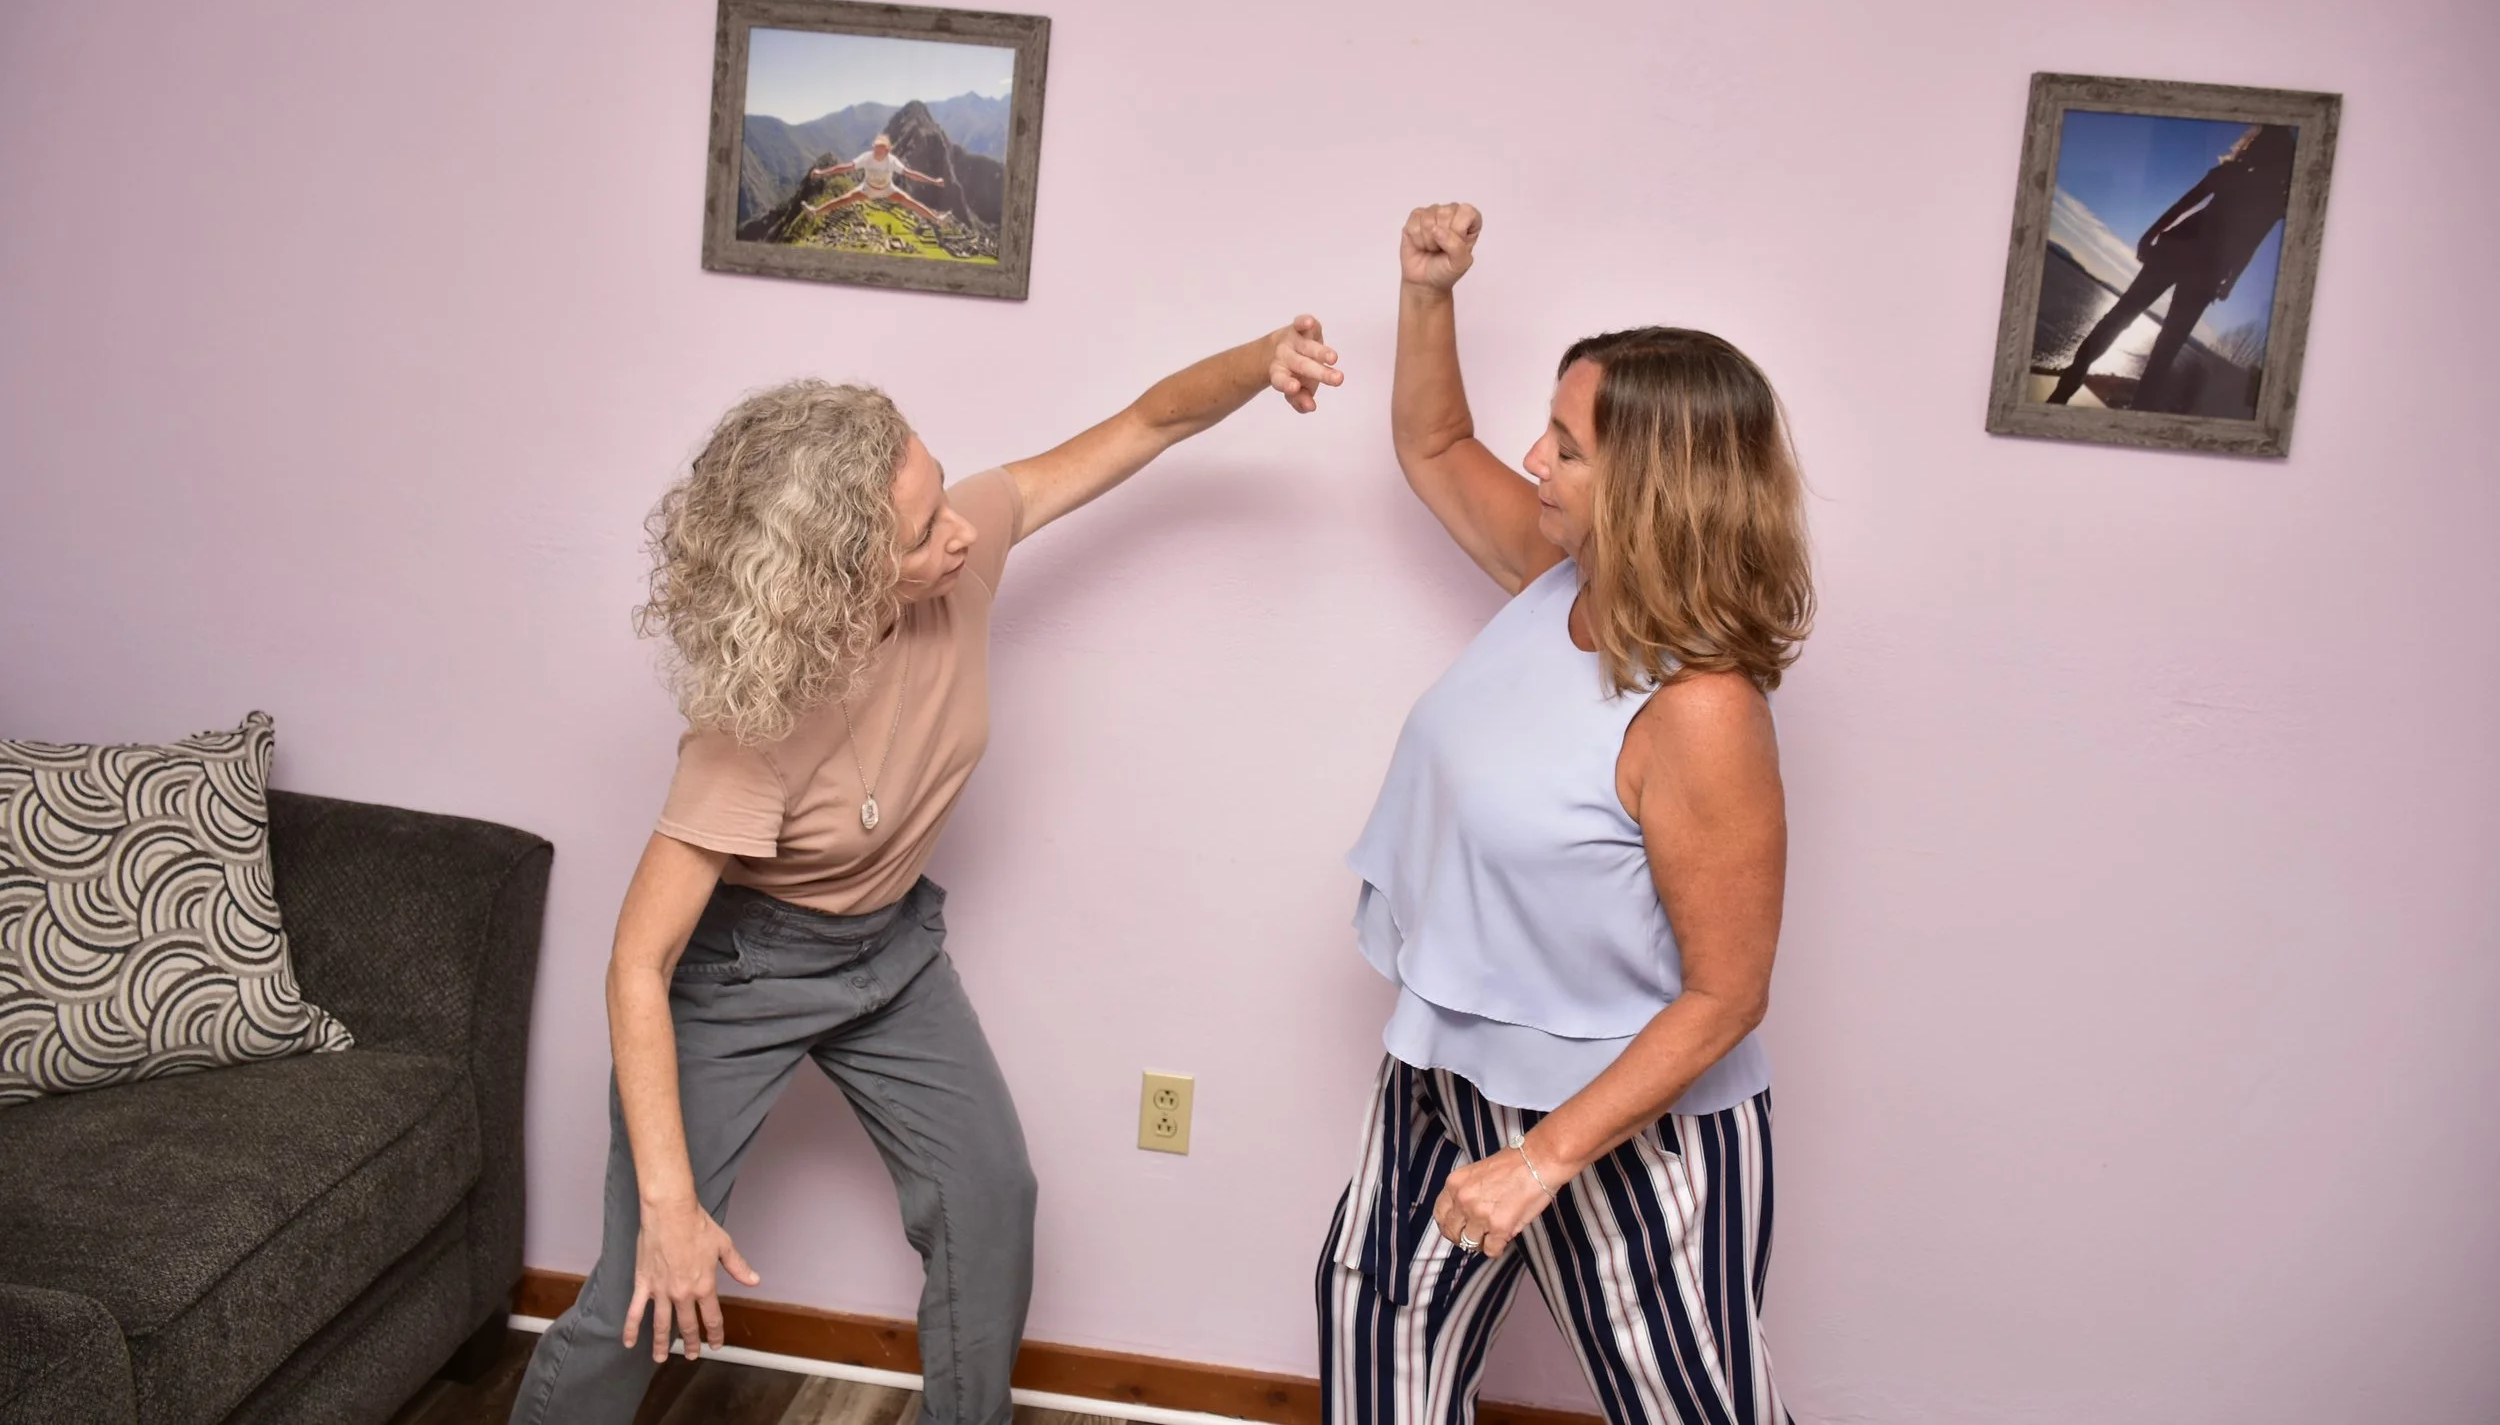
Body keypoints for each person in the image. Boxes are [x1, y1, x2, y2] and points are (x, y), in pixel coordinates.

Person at [512, 316, 1346, 1424]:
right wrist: (669, 1200)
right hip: (742, 973)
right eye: (919, 532)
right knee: (640, 1288)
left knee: (990, 1199)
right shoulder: (750, 723)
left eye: (942, 492)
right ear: (836, 569)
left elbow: (1147, 420)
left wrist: (1259, 361)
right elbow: (638, 957)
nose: (958, 533)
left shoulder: (961, 555)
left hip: (893, 949)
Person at [1317, 204, 1814, 1425]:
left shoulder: (1700, 711)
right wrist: (1427, 291)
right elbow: (1435, 445)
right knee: (1375, 1341)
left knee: (1692, 1407)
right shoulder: (1559, 584)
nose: (1535, 461)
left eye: (1566, 445)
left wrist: (1543, 1159)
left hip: (1630, 1125)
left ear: (1651, 485)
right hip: (1444, 1064)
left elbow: (1726, 993)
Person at [2046, 123, 2296, 411]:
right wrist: (2229, 282)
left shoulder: (2235, 177)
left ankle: (2065, 391)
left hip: (2184, 255)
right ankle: (2123, 407)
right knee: (2160, 345)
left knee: (2122, 319)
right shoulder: (2267, 198)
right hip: (2204, 267)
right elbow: (2248, 243)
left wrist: (2151, 234)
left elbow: (2185, 207)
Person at [806, 132, 951, 226]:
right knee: (844, 199)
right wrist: (822, 173)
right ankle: (814, 212)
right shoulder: (866, 157)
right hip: (867, 188)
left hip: (888, 189)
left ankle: (938, 219)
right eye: (875, 147)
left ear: (887, 150)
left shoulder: (892, 161)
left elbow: (910, 174)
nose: (876, 150)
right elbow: (844, 168)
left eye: (879, 148)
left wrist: (933, 181)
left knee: (911, 202)